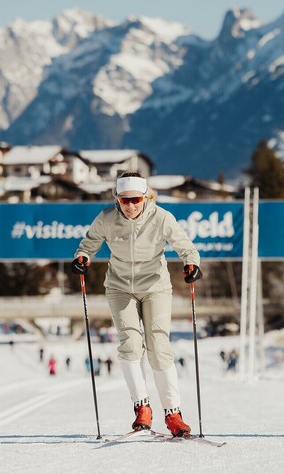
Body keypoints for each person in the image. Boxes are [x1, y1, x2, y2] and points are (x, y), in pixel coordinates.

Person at [72, 172, 203, 438]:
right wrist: (82, 257)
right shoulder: (107, 218)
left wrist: (192, 263)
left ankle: (173, 414)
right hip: (120, 287)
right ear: (117, 199)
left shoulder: (161, 218)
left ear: (145, 197)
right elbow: (89, 243)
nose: (130, 206)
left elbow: (185, 246)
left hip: (155, 287)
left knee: (159, 346)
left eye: (135, 200)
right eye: (124, 200)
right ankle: (142, 407)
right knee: (130, 344)